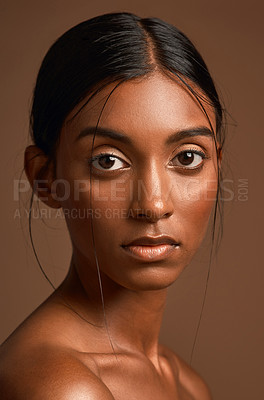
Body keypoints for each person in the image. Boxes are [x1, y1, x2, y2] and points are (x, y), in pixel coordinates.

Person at [0, 11, 224, 399]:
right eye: (108, 160)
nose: (153, 205)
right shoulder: (60, 387)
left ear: (218, 163)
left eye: (187, 158)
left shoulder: (187, 384)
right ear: (45, 178)